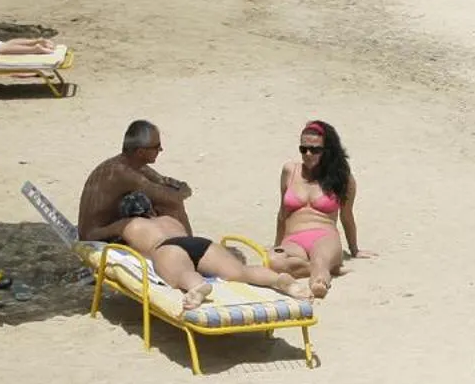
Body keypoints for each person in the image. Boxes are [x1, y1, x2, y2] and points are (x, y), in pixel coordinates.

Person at [77, 120, 308, 307]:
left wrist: (120, 230)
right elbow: (174, 193)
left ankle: (197, 287)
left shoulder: (128, 224)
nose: (161, 149)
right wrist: (177, 192)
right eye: (156, 146)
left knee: (182, 274)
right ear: (140, 151)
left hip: (167, 249)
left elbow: (167, 190)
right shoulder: (161, 214)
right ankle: (280, 280)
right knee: (241, 271)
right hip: (195, 242)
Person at [269, 120, 365, 295]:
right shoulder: (290, 171)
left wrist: (354, 249)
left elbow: (347, 216)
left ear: (327, 150)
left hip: (324, 236)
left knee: (320, 259)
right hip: (293, 239)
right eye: (303, 149)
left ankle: (319, 282)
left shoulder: (342, 179)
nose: (308, 154)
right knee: (275, 262)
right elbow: (282, 213)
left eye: (315, 150)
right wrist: (277, 244)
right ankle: (326, 268)